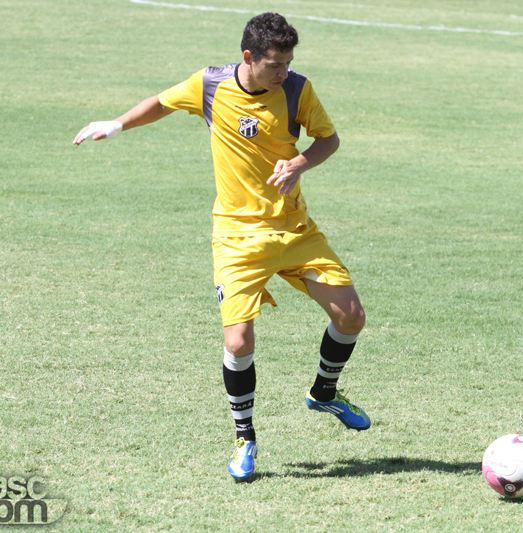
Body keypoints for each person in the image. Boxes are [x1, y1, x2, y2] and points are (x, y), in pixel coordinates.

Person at [73, 12, 370, 481]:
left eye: (289, 62)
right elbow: (162, 102)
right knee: (238, 340)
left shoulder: (296, 89)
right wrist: (116, 123)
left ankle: (325, 393)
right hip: (236, 237)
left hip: (294, 229)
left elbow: (328, 140)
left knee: (351, 315)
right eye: (275, 64)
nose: (284, 72)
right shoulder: (210, 86)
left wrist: (298, 162)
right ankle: (245, 438)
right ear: (248, 57)